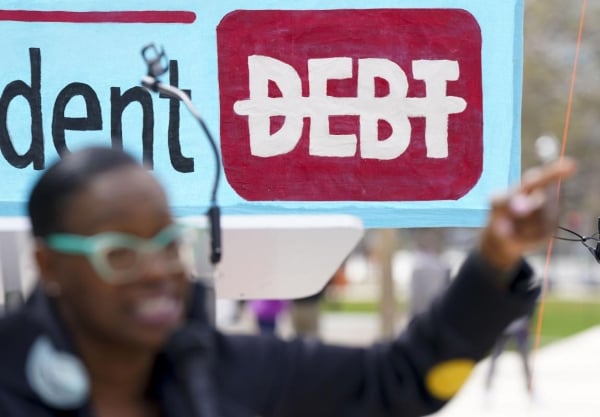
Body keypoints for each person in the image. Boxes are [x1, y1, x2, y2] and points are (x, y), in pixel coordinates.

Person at [0, 146, 575, 417]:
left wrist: (494, 258)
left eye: (167, 245)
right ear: (49, 266)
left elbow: (401, 379)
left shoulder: (230, 372)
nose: (157, 271)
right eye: (119, 253)